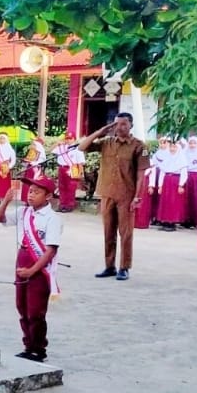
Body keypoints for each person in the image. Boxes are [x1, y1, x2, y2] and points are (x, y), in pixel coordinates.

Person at [0, 174, 62, 362]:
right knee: (22, 306)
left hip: (38, 267)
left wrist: (32, 271)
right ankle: (28, 345)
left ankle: (38, 348)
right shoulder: (24, 212)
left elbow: (50, 251)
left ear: (48, 196)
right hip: (22, 259)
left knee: (36, 311)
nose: (31, 195)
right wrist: (6, 201)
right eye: (30, 191)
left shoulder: (52, 219)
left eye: (36, 192)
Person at [76, 113, 147, 281]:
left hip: (126, 195)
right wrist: (100, 131)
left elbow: (140, 175)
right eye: (116, 124)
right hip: (107, 193)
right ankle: (109, 266)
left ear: (131, 126)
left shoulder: (138, 146)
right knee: (108, 232)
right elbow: (82, 147)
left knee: (126, 233)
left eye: (123, 124)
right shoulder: (106, 143)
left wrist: (137, 197)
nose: (119, 127)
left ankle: (124, 267)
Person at [53, 134, 85, 213]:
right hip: (62, 168)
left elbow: (81, 162)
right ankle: (62, 205)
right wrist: (57, 143)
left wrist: (81, 173)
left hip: (73, 168)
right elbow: (52, 151)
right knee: (61, 187)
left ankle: (69, 206)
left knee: (71, 188)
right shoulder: (62, 148)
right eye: (67, 138)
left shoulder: (77, 148)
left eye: (70, 138)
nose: (68, 140)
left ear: (74, 139)